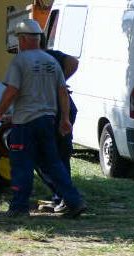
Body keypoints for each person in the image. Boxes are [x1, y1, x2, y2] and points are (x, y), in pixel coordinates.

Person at [0, 19, 86, 218]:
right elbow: (63, 93)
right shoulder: (51, 61)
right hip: (48, 120)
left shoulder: (20, 60)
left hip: (25, 124)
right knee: (53, 163)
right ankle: (74, 201)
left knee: (22, 164)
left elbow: (11, 91)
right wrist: (64, 119)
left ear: (23, 39)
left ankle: (18, 208)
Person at [36, 48, 80, 212]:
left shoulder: (44, 56)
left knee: (55, 157)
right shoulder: (37, 57)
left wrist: (60, 82)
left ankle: (65, 199)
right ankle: (61, 197)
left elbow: (73, 62)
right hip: (57, 111)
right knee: (53, 157)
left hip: (59, 112)